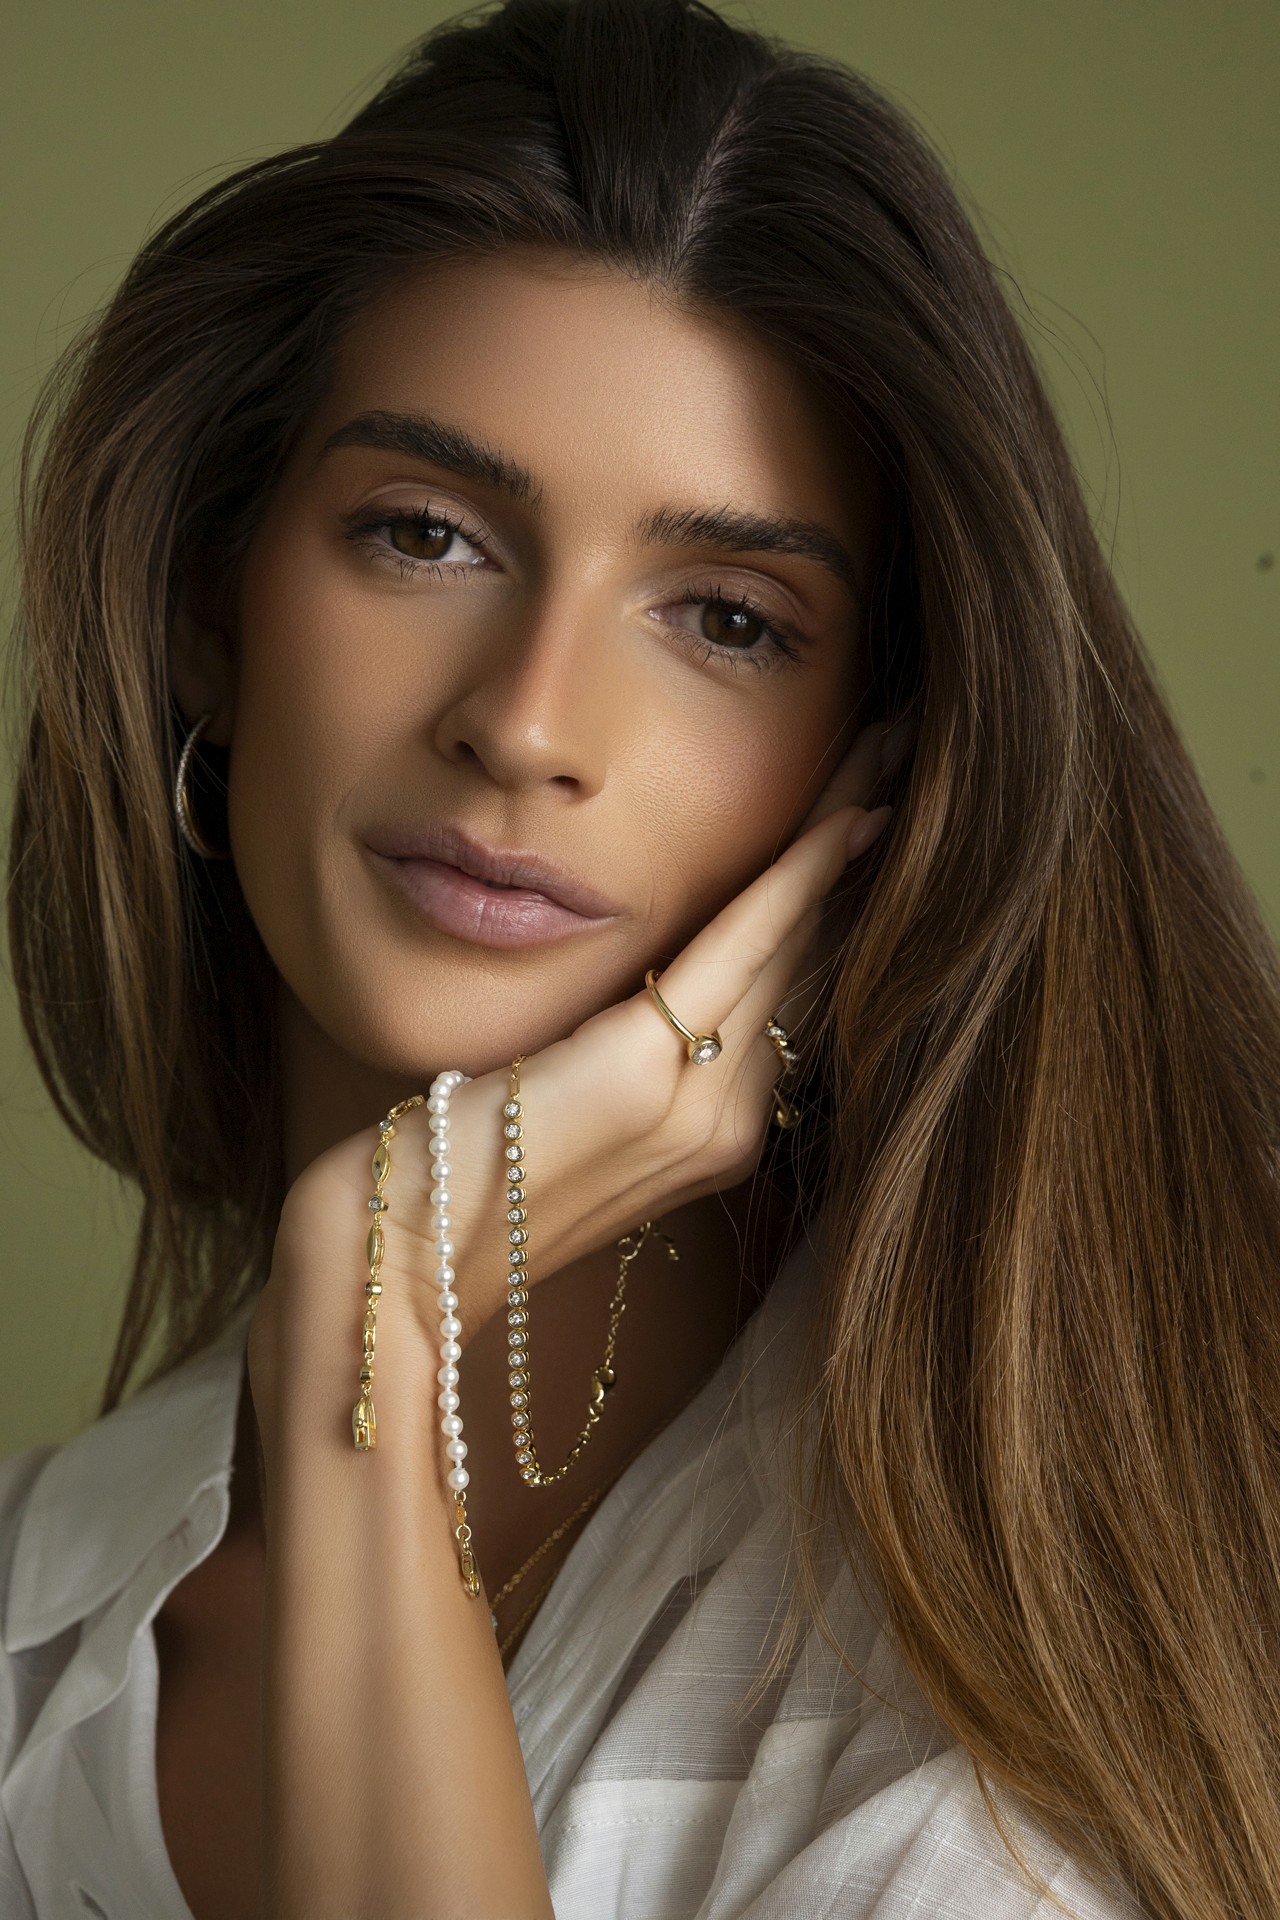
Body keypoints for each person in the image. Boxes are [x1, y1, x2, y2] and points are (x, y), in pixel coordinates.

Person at [2, 0, 1277, 1914]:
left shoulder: (993, 1741)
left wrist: (370, 1317)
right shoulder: (40, 1600)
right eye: (425, 533)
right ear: (208, 607)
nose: (528, 723)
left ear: (893, 759)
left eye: (731, 620)